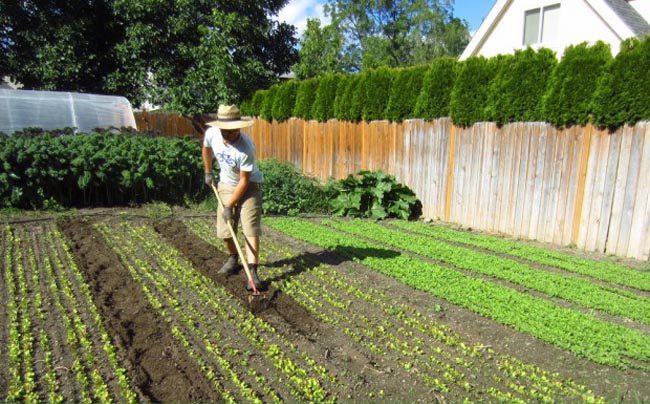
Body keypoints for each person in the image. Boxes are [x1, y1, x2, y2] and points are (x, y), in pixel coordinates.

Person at [202, 104, 264, 291]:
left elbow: (244, 182)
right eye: (225, 132)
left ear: (239, 128)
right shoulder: (212, 134)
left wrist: (230, 205)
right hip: (226, 185)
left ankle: (252, 272)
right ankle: (233, 258)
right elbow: (206, 149)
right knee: (225, 230)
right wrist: (208, 172)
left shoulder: (246, 148)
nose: (228, 136)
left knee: (249, 227)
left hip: (249, 186)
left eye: (232, 132)